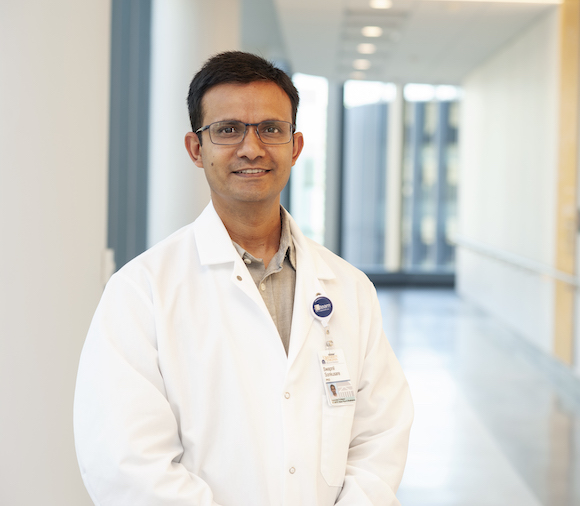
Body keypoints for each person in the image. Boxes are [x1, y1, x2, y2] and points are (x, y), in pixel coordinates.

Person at [73, 51, 413, 506]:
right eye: (228, 130)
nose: (252, 148)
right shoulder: (142, 291)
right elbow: (125, 461)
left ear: (295, 146)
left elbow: (380, 434)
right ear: (197, 149)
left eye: (271, 129)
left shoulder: (350, 288)